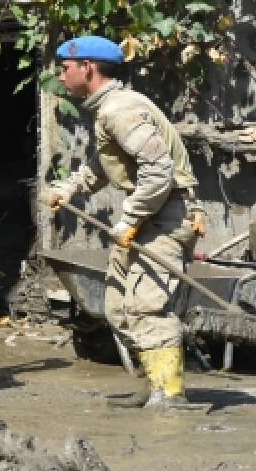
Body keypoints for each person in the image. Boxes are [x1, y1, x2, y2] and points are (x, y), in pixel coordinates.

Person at [40, 36, 207, 409]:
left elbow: (158, 170)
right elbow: (104, 166)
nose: (61, 77)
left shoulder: (120, 110)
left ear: (88, 68)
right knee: (118, 306)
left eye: (66, 69)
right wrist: (68, 189)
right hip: (149, 215)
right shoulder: (108, 110)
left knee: (148, 306)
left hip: (166, 215)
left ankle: (170, 395)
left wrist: (130, 216)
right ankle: (153, 385)